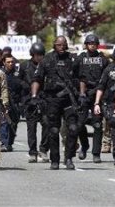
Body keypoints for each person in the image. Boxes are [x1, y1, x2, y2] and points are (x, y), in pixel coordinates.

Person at [31, 36, 79, 170]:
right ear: (54, 45)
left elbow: (81, 78)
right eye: (59, 45)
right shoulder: (47, 60)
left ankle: (69, 158)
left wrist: (81, 94)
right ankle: (55, 159)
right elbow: (37, 78)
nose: (62, 47)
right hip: (52, 99)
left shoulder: (73, 60)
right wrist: (34, 96)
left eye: (64, 45)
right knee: (53, 130)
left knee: (73, 128)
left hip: (69, 100)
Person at [76, 34, 109, 163]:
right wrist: (79, 93)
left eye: (94, 43)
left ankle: (96, 153)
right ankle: (84, 146)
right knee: (80, 124)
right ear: (86, 45)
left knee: (97, 125)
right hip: (84, 94)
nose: (92, 45)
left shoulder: (103, 59)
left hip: (98, 94)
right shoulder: (80, 59)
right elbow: (74, 76)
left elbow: (108, 77)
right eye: (90, 43)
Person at [18, 42, 49, 163]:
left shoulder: (46, 65)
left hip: (43, 100)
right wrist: (27, 87)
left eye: (41, 55)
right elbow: (18, 81)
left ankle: (44, 149)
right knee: (31, 128)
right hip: (29, 101)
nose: (39, 57)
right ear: (32, 54)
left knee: (46, 124)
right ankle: (32, 152)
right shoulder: (24, 66)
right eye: (37, 55)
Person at [0, 53, 21, 152]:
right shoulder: (0, 74)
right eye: (8, 62)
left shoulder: (17, 74)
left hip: (15, 103)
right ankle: (4, 142)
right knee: (4, 123)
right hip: (3, 102)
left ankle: (10, 143)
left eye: (12, 62)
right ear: (4, 62)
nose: (11, 64)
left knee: (14, 123)